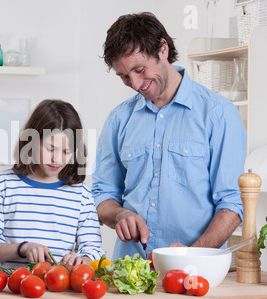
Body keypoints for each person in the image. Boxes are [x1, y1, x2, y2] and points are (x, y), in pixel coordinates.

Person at [92, 12, 247, 260]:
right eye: (124, 76)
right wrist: (119, 214)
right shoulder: (119, 119)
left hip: (196, 273)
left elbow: (231, 205)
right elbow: (102, 194)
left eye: (139, 69)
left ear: (162, 49)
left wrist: (191, 257)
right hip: (130, 271)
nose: (134, 83)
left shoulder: (218, 114)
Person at [0, 99, 105, 269]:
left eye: (66, 152)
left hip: (58, 288)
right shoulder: (1, 185)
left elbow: (93, 250)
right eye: (50, 148)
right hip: (9, 289)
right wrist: (22, 249)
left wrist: (83, 259)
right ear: (31, 143)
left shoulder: (82, 195)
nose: (57, 159)